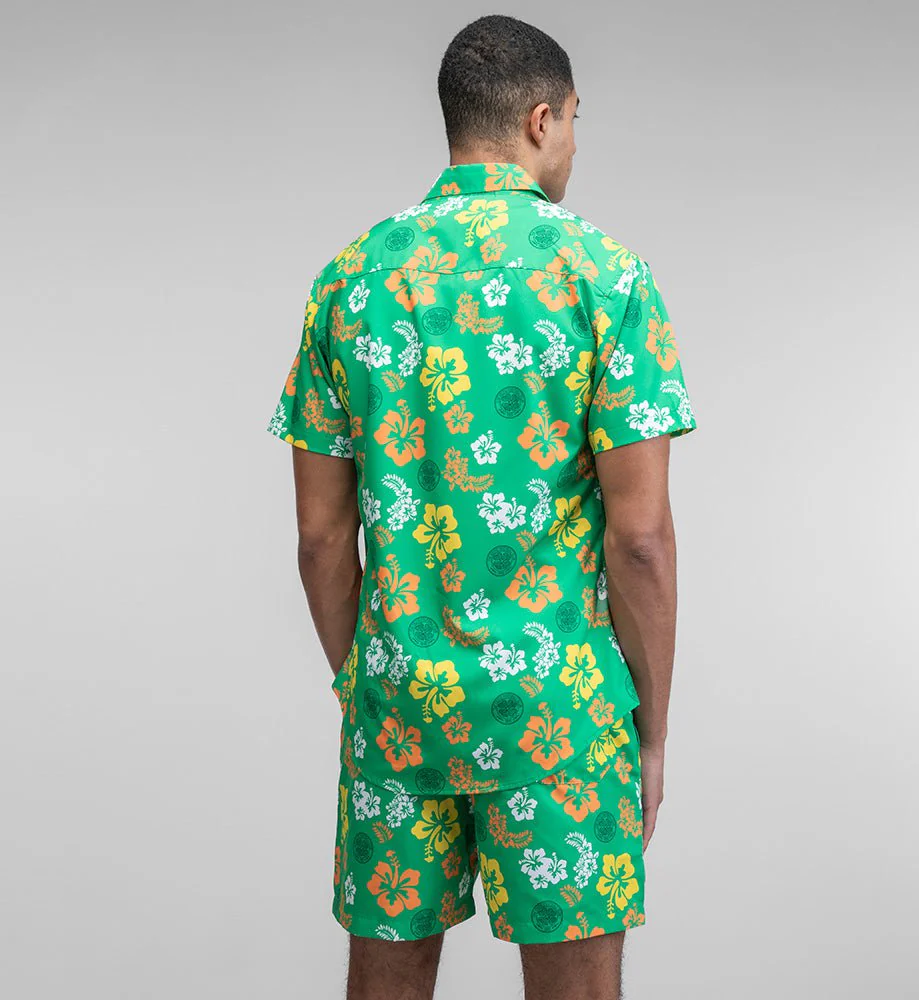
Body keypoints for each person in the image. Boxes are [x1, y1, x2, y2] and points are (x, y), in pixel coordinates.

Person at [265, 13, 698, 999]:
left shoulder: (351, 278)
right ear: (542, 119)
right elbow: (639, 540)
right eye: (576, 120)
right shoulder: (603, 276)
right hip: (559, 709)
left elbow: (321, 539)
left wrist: (366, 687)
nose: (575, 143)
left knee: (385, 982)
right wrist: (652, 731)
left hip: (399, 701)